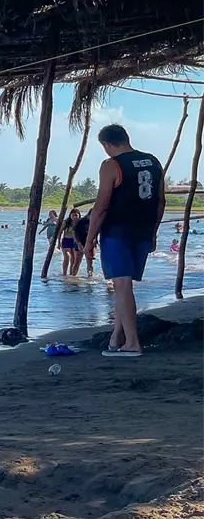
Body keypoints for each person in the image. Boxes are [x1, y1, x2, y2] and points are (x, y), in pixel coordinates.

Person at [86, 124, 164, 357]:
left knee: (121, 285)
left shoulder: (111, 165)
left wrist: (89, 239)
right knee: (124, 287)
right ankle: (116, 337)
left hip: (117, 232)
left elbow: (101, 206)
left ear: (107, 144)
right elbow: (160, 201)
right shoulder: (153, 162)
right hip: (143, 230)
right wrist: (153, 232)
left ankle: (132, 343)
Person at [60, 208, 81, 275]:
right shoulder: (66, 222)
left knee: (74, 260)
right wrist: (58, 242)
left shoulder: (80, 223)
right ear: (70, 215)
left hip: (75, 242)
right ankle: (64, 274)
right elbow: (59, 232)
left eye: (76, 215)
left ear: (79, 216)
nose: (74, 217)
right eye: (73, 215)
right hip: (66, 240)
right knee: (67, 257)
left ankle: (71, 275)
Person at [73, 209, 94, 277]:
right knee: (77, 262)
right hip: (79, 242)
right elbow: (75, 234)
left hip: (89, 243)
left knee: (90, 262)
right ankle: (73, 277)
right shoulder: (81, 221)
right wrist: (79, 244)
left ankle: (90, 277)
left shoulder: (94, 222)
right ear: (89, 214)